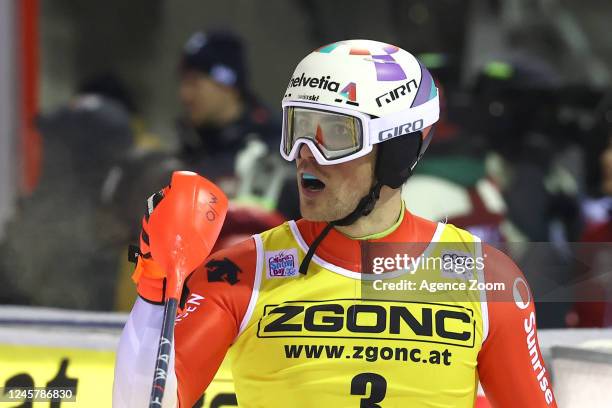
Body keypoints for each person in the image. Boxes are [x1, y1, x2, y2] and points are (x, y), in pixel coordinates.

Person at [113, 40, 556, 407]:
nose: (307, 152)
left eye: (335, 134)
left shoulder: (485, 279)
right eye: (299, 127)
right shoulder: (241, 274)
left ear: (399, 151)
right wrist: (156, 286)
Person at [177, 29, 299, 219]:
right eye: (183, 83)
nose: (185, 95)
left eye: (194, 82)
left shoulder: (281, 147)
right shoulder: (191, 145)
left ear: (225, 82)